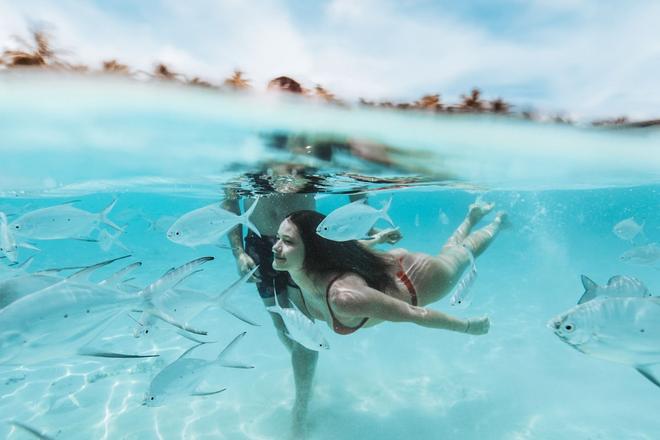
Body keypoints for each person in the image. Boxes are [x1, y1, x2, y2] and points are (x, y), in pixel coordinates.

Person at [271, 202, 507, 338]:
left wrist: (467, 326)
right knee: (451, 251)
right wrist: (379, 239)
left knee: (462, 253)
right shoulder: (299, 272)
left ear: (313, 250)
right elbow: (340, 249)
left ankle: (496, 224)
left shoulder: (343, 298)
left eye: (288, 241)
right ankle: (472, 216)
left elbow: (414, 314)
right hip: (389, 266)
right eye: (278, 238)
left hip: (419, 280)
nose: (275, 247)